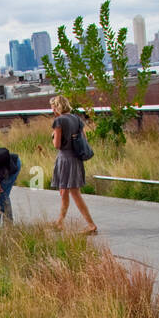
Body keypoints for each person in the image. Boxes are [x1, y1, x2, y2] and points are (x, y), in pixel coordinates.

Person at [50, 95, 98, 235]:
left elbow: (57, 145)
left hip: (65, 159)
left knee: (74, 192)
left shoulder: (58, 121)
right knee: (64, 191)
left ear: (56, 107)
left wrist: (53, 136)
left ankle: (91, 224)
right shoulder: (76, 118)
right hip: (76, 158)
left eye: (52, 106)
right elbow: (84, 138)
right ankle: (60, 221)